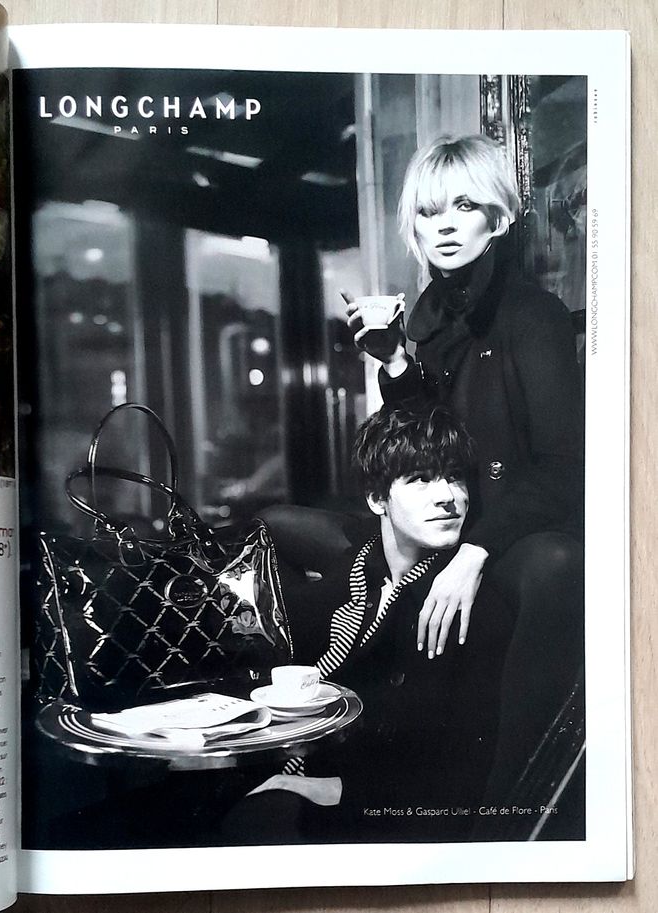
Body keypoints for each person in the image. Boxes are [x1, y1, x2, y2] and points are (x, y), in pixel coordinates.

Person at [346, 134, 584, 807]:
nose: (445, 226)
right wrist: (395, 362)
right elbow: (431, 450)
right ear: (414, 229)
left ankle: (505, 820)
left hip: (514, 534)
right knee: (285, 525)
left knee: (557, 564)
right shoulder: (428, 327)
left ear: (498, 220)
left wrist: (474, 553)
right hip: (452, 523)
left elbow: (565, 467)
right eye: (429, 212)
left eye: (464, 206)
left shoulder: (531, 315)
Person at [226, 405, 512, 844]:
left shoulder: (468, 605)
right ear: (377, 499)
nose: (448, 496)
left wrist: (331, 789)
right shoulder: (357, 571)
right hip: (308, 765)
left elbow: (457, 776)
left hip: (392, 817)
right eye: (420, 479)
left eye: (454, 476)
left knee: (257, 821)